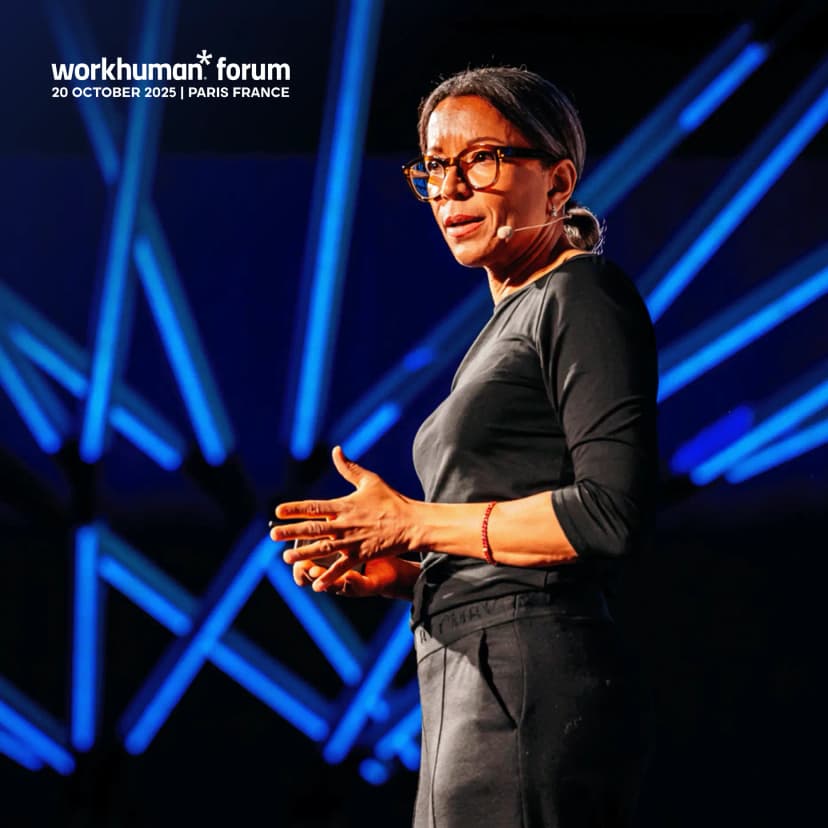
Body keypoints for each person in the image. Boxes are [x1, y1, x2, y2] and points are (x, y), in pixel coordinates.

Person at [270, 66, 659, 828]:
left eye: (480, 158)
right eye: (435, 166)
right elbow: (507, 533)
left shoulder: (580, 295)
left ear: (558, 179)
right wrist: (413, 576)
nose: (450, 187)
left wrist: (414, 521)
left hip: (529, 688)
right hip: (467, 681)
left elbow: (611, 513)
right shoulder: (505, 325)